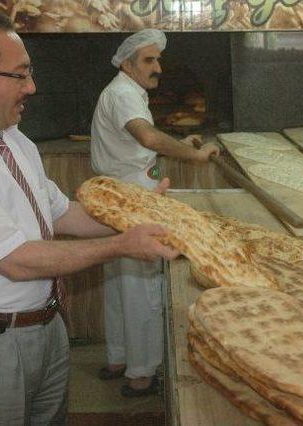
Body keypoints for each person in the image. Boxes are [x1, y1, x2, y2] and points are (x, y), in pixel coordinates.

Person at [0, 9, 179, 425]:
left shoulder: (13, 140)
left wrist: (142, 211)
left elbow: (62, 214)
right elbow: (16, 260)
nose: (32, 87)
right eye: (20, 75)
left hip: (44, 331)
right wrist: (121, 246)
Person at [90, 28, 219, 397]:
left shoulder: (123, 92)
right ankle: (142, 374)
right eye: (149, 60)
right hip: (133, 197)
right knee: (141, 284)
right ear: (128, 63)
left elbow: (140, 141)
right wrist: (193, 153)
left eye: (158, 59)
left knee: (118, 281)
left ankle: (119, 358)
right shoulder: (124, 93)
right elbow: (147, 138)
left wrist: (178, 143)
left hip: (118, 193)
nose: (158, 67)